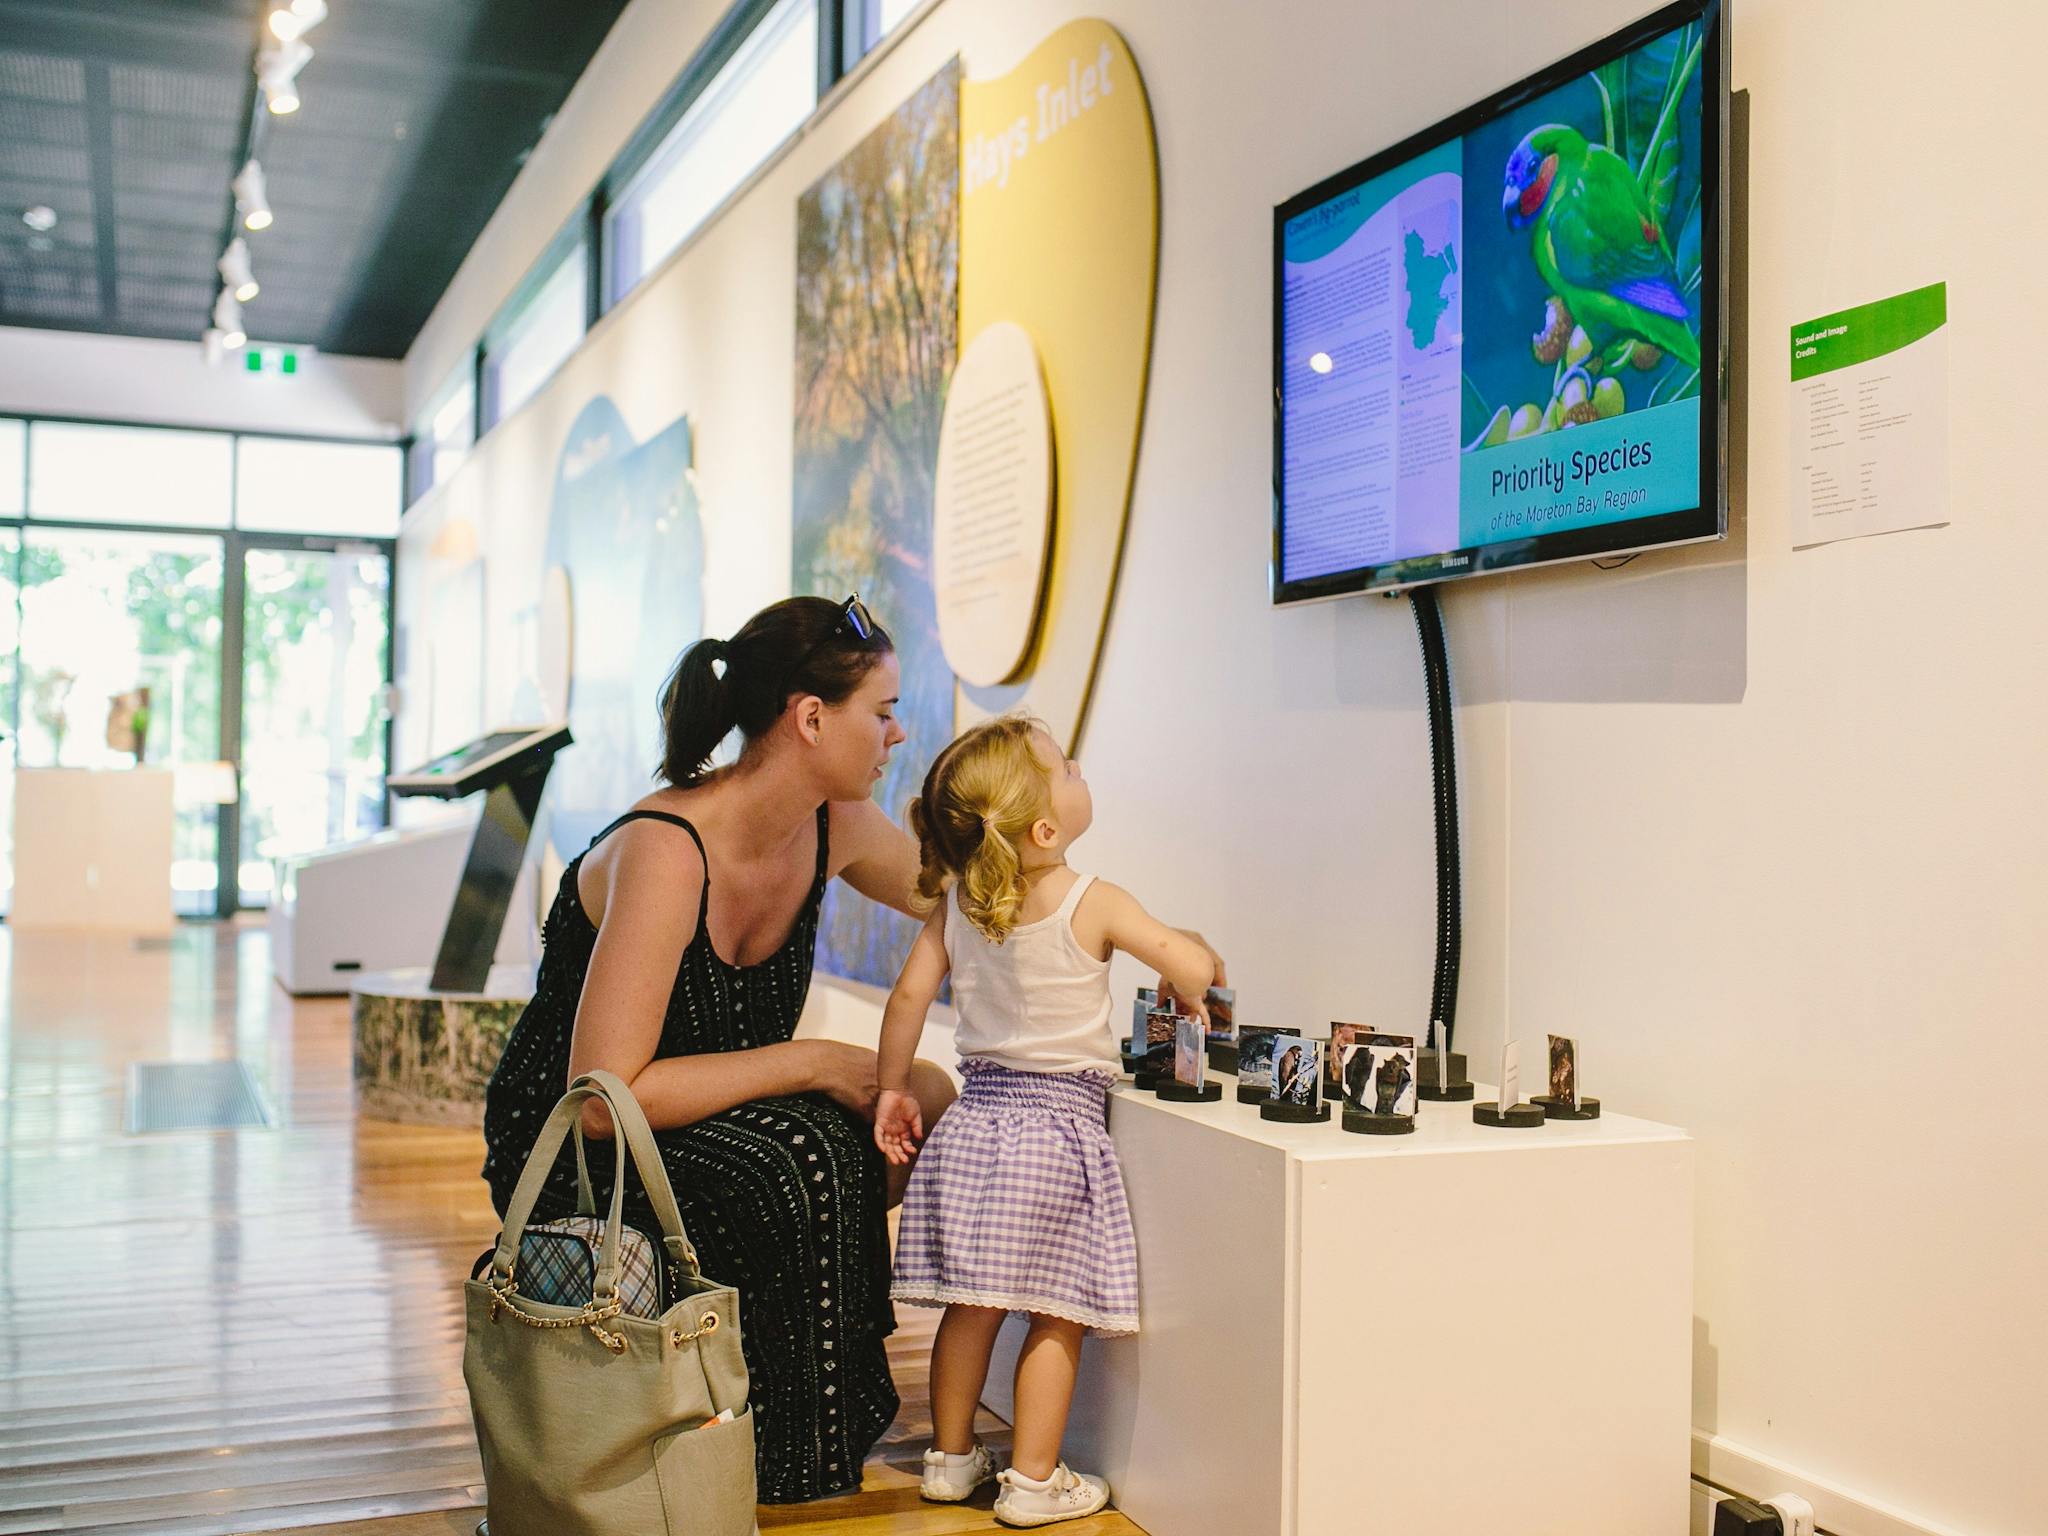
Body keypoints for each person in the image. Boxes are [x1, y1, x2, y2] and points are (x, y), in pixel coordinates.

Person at [481, 594, 955, 1504]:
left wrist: (1107, 925)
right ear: (812, 719)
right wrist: (817, 1061)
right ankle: (755, 1446)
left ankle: (813, 1441)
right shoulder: (668, 848)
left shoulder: (836, 824)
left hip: (714, 1109)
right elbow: (598, 1096)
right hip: (579, 1147)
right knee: (805, 1151)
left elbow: (963, 910)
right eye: (884, 713)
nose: (898, 735)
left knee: (919, 1091)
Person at [871, 715, 1223, 1527]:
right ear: (1043, 826)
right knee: (1057, 1312)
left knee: (972, 1305)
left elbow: (908, 999)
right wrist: (1196, 965)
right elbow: (1184, 961)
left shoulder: (959, 905)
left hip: (974, 1124)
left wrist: (893, 1089)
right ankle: (1033, 1482)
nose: (1079, 767)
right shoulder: (1092, 900)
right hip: (1057, 1135)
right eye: (1068, 766)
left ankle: (951, 1461)